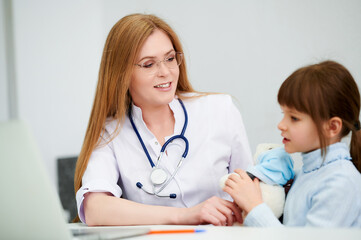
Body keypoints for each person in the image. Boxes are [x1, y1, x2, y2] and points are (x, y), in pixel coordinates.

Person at [74, 13, 253, 226]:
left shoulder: (220, 109)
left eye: (170, 58)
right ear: (121, 73)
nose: (166, 72)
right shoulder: (110, 132)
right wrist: (185, 216)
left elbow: (251, 193)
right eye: (148, 64)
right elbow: (95, 209)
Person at [223, 60, 361, 227]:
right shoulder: (306, 174)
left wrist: (254, 207)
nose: (281, 125)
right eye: (284, 114)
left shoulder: (340, 182)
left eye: (294, 118)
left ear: (332, 127)